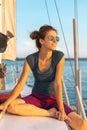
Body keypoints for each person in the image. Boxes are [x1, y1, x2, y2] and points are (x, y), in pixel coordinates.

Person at [0, 25, 87, 130]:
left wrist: (61, 110)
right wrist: (5, 104)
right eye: (51, 38)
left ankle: (51, 111)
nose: (55, 41)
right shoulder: (30, 59)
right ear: (41, 41)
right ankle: (49, 113)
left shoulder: (59, 56)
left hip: (53, 99)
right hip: (36, 97)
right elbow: (20, 84)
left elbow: (57, 84)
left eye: (57, 38)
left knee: (82, 125)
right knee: (11, 107)